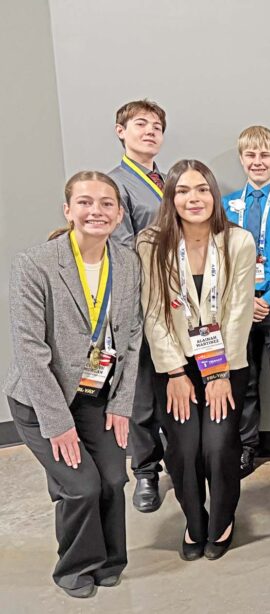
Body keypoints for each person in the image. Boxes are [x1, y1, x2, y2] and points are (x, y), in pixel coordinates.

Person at [5, 172, 142, 598]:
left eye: (106, 204)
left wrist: (121, 403)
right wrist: (58, 423)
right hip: (42, 401)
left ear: (118, 215)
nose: (96, 211)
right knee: (81, 487)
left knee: (114, 480)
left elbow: (132, 337)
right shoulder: (35, 265)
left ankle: (110, 561)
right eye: (85, 202)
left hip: (97, 396)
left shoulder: (128, 263)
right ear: (68, 210)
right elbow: (30, 352)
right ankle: (74, 568)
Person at [138, 160, 255, 561]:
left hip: (225, 362)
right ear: (171, 197)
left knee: (219, 445)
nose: (194, 198)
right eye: (183, 190)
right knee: (185, 449)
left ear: (214, 195)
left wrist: (219, 373)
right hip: (175, 367)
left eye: (202, 189)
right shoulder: (151, 244)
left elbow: (239, 312)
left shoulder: (238, 241)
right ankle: (194, 520)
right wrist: (174, 371)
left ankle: (221, 520)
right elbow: (153, 312)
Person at [222, 125, 270, 479]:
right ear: (241, 159)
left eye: (265, 155)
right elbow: (217, 259)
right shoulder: (224, 207)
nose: (258, 161)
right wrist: (244, 299)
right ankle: (246, 446)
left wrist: (267, 298)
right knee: (244, 379)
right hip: (236, 307)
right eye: (251, 155)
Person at [108, 98, 169, 512]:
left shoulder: (170, 180)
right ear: (121, 131)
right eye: (141, 124)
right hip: (142, 301)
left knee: (178, 384)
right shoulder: (115, 185)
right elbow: (125, 250)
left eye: (157, 127)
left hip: (180, 300)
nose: (150, 132)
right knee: (142, 392)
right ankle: (146, 471)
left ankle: (184, 461)